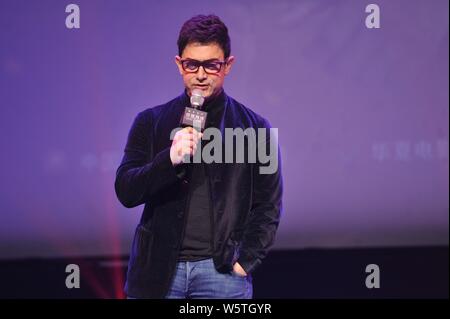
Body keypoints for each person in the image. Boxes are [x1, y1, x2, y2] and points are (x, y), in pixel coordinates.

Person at [115, 14, 283, 299]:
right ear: (179, 64)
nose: (201, 74)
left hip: (221, 273)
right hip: (158, 273)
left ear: (227, 65)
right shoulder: (150, 121)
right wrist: (169, 159)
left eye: (211, 65)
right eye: (192, 64)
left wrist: (246, 261)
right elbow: (126, 190)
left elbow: (268, 204)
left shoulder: (256, 128)